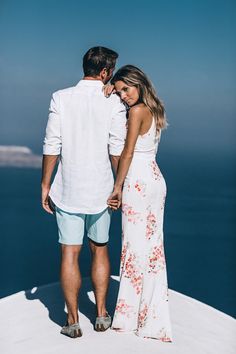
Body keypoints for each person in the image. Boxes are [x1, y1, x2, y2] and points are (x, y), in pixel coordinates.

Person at [41, 46, 126, 338]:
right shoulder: (114, 102)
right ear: (105, 72)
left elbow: (52, 145)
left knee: (69, 253)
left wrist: (45, 184)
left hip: (68, 189)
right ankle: (102, 315)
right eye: (112, 71)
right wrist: (119, 187)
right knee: (100, 249)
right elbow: (117, 149)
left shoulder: (61, 97)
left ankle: (73, 321)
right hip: (101, 190)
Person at [107, 65, 173, 341]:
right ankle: (150, 316)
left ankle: (130, 317)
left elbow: (128, 151)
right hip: (155, 180)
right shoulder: (154, 109)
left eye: (126, 89)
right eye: (120, 91)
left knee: (134, 249)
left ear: (139, 84)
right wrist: (111, 91)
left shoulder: (135, 112)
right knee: (152, 249)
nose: (123, 95)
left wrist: (117, 187)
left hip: (137, 182)